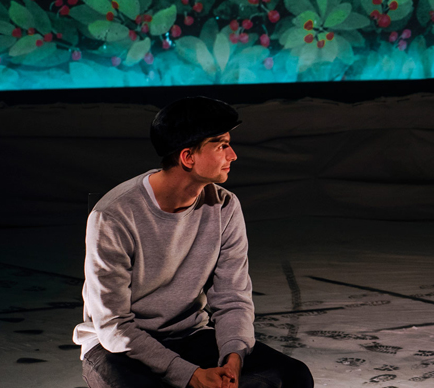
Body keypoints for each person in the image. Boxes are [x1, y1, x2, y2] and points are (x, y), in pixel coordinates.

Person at [73, 96, 314, 388]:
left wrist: (233, 358)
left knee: (293, 377)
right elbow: (114, 326)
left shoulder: (225, 206)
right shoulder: (113, 215)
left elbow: (232, 297)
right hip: (118, 349)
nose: (233, 155)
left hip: (188, 336)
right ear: (188, 157)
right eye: (221, 146)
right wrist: (190, 375)